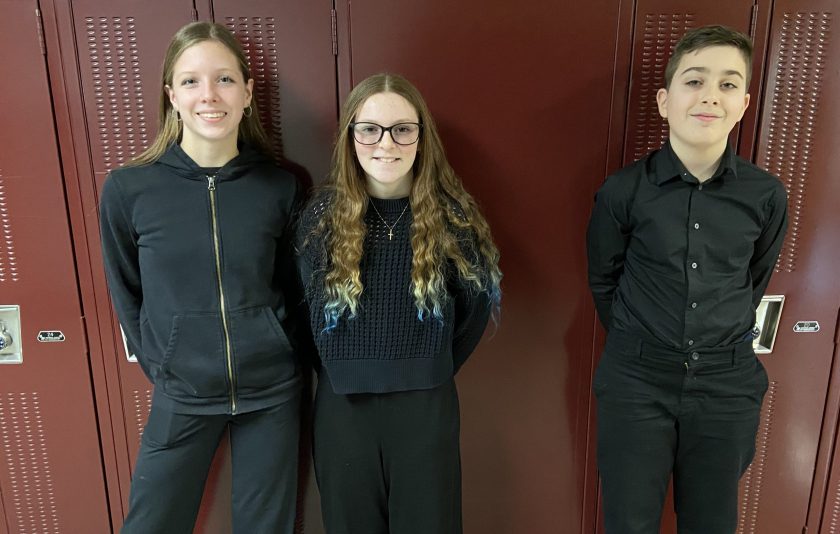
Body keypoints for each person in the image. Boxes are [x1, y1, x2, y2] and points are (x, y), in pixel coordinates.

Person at [99, 21, 305, 534]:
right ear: (171, 95)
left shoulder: (280, 187)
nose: (208, 95)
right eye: (190, 81)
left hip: (271, 393)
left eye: (225, 80)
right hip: (182, 392)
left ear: (248, 92)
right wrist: (166, 362)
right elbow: (126, 291)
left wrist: (278, 346)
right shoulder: (129, 190)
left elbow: (297, 291)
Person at [587, 25, 789, 533]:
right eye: (694, 81)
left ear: (743, 103)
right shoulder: (623, 191)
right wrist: (647, 342)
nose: (709, 97)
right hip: (636, 381)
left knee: (711, 521)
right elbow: (604, 281)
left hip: (727, 384)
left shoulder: (765, 196)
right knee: (629, 521)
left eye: (727, 85)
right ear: (664, 100)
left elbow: (755, 278)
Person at [296, 73, 502, 534]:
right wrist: (344, 364)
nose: (385, 143)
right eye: (369, 129)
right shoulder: (320, 219)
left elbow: (472, 314)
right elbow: (300, 316)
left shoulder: (454, 218)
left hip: (425, 409)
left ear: (422, 138)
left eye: (402, 129)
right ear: (350, 138)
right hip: (343, 411)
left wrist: (425, 363)